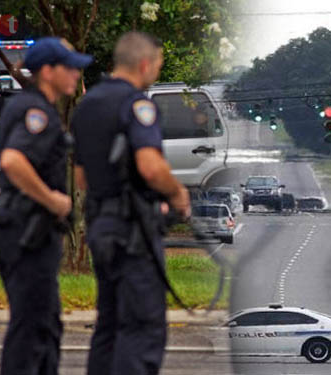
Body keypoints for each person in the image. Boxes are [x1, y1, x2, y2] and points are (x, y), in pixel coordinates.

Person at [71, 31, 190, 375]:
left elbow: (82, 178)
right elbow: (151, 168)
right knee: (141, 328)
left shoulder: (87, 105)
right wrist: (177, 194)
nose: (157, 71)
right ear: (144, 63)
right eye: (158, 65)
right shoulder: (137, 104)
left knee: (109, 326)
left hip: (101, 227)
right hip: (133, 229)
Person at [0, 38, 91, 374]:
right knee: (31, 328)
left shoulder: (25, 106)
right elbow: (15, 159)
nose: (77, 73)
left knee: (45, 326)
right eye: (70, 67)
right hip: (26, 232)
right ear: (47, 71)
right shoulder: (36, 113)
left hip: (22, 231)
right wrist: (51, 198)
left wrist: (18, 168)